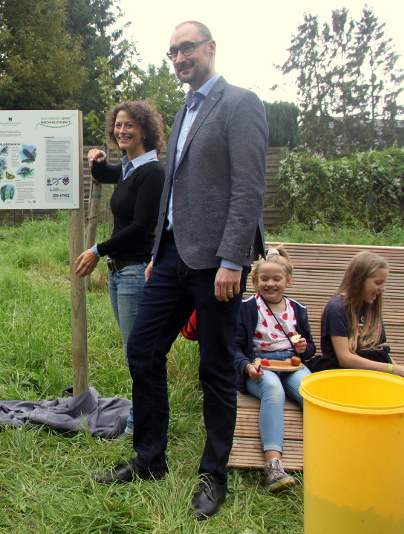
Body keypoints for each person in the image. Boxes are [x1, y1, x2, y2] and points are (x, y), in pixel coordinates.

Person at [93, 21, 268, 521]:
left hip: (217, 261)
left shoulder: (240, 104)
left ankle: (214, 473)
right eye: (172, 52)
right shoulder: (185, 109)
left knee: (216, 368)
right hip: (169, 257)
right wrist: (153, 255)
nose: (179, 58)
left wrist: (234, 258)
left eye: (186, 48)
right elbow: (172, 192)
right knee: (142, 350)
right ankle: (150, 459)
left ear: (210, 48)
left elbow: (249, 189)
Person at [75, 100, 165, 435]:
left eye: (129, 125)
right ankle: (146, 418)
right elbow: (108, 174)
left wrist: (97, 250)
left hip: (135, 273)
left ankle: (142, 424)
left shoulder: (153, 172)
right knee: (134, 352)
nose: (122, 131)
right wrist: (96, 159)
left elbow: (141, 226)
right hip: (119, 273)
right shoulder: (130, 168)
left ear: (145, 129)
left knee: (139, 354)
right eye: (118, 125)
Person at [234, 248, 315, 491]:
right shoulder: (247, 308)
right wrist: (247, 367)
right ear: (255, 280)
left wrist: (304, 348)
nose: (270, 284)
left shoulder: (297, 309)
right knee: (273, 389)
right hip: (260, 365)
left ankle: (327, 452)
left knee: (309, 390)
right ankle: (273, 465)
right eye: (264, 279)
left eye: (277, 279)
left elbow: (309, 349)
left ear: (287, 281)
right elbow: (234, 348)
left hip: (291, 364)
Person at [308, 251, 404, 377]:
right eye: (378, 283)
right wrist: (391, 369)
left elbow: (379, 352)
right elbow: (345, 359)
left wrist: (397, 369)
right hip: (342, 372)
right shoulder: (337, 308)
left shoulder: (370, 307)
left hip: (368, 371)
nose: (383, 288)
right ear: (360, 280)